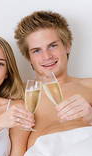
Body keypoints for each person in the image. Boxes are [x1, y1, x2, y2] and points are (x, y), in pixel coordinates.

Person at [14, 10, 92, 148]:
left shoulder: (89, 86)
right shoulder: (19, 95)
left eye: (52, 45)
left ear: (67, 46)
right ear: (28, 57)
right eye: (36, 50)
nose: (47, 56)